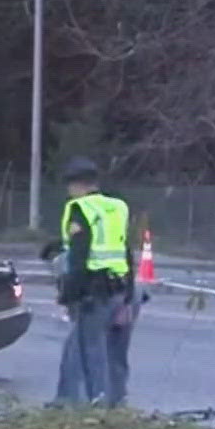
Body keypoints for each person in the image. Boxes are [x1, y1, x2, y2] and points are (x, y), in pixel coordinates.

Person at [45, 157, 134, 407]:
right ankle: (116, 402)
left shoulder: (80, 208)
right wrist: (129, 293)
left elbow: (80, 255)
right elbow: (122, 247)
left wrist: (67, 296)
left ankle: (96, 405)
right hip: (119, 287)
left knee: (91, 353)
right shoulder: (117, 207)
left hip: (95, 293)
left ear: (76, 185)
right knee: (114, 353)